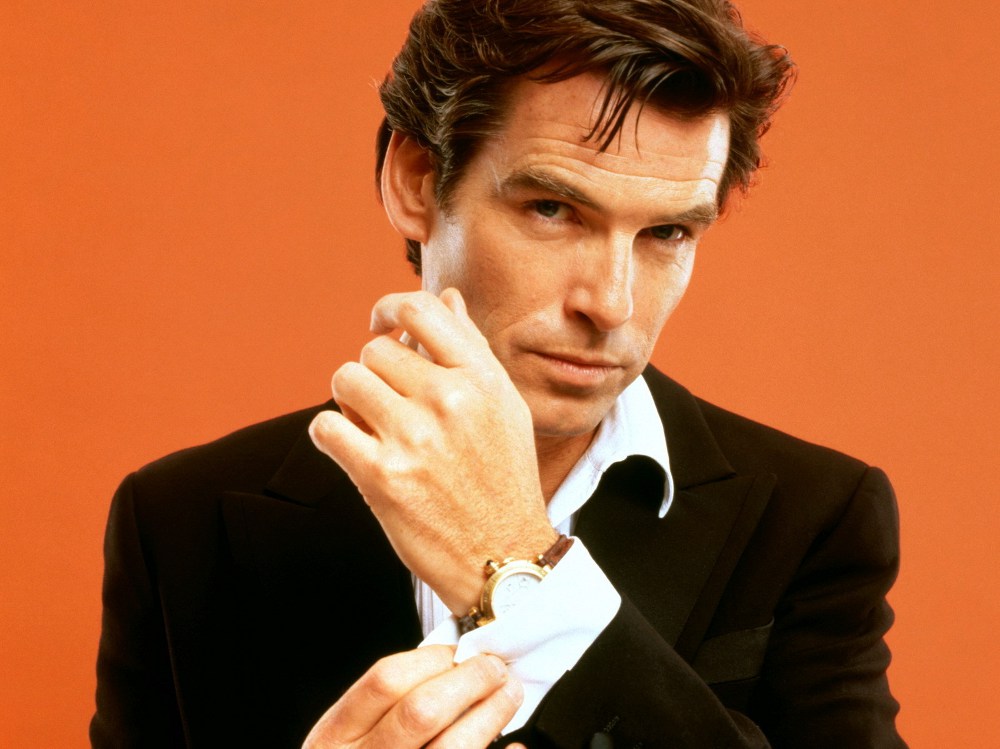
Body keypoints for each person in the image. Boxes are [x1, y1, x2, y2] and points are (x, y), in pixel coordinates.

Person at [91, 1, 906, 747]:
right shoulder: (181, 522)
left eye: (667, 234)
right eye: (553, 210)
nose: (612, 303)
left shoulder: (815, 517)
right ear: (416, 181)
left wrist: (515, 561)